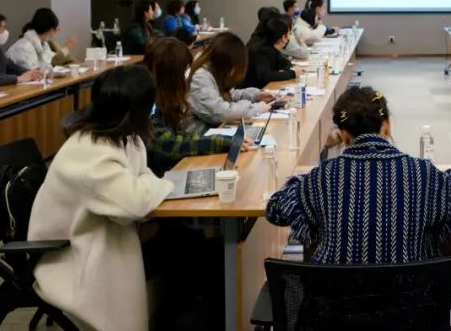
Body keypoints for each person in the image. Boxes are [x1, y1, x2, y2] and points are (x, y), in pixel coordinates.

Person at [27, 66, 174, 331]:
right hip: (71, 252)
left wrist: (147, 185)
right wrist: (160, 184)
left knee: (182, 241)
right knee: (181, 247)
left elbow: (141, 179)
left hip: (103, 230)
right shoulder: (89, 152)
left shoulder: (124, 137)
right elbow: (134, 204)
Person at [266, 85, 451, 264]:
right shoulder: (427, 176)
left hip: (334, 300)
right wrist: (449, 178)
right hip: (411, 299)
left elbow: (275, 210)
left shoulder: (319, 179)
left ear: (344, 135)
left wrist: (303, 182)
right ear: (386, 126)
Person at [143, 37, 253, 174]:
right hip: (161, 179)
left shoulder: (166, 102)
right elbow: (170, 146)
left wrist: (225, 141)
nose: (188, 76)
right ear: (172, 76)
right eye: (185, 70)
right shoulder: (148, 105)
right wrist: (220, 143)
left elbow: (183, 136)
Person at [186, 32, 274, 134]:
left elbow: (229, 94)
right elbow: (219, 113)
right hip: (200, 135)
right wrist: (255, 109)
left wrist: (256, 96)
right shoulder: (201, 76)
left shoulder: (214, 70)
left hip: (214, 130)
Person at [241, 16, 296, 89]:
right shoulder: (262, 51)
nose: (289, 37)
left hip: (263, 89)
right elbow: (264, 76)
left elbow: (287, 63)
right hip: (251, 92)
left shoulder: (273, 49)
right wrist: (292, 74)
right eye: (289, 34)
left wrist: (284, 72)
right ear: (283, 37)